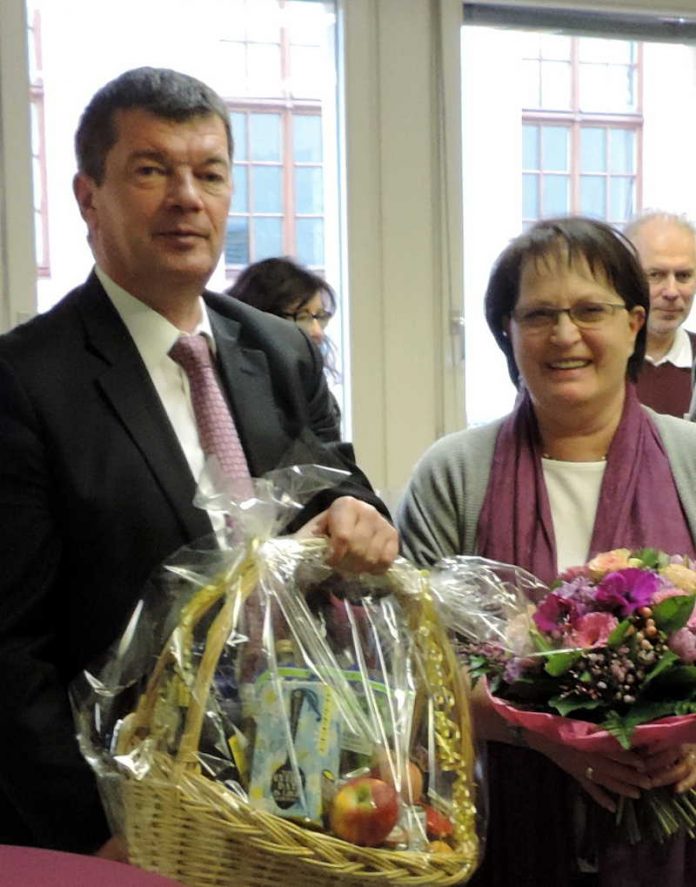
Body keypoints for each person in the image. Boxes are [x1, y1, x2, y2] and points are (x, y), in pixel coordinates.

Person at [0, 67, 397, 860]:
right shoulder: (25, 382)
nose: (187, 196)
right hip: (123, 824)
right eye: (152, 170)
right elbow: (9, 651)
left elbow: (344, 495)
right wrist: (97, 833)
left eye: (209, 173)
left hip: (296, 794)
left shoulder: (280, 349)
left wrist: (368, 522)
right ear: (88, 197)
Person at [397, 217, 696, 887]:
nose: (565, 335)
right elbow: (412, 667)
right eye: (538, 314)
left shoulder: (691, 462)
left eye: (591, 310)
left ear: (635, 323)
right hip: (497, 828)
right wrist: (550, 737)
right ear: (507, 329)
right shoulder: (453, 473)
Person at [227, 256, 341, 420]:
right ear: (264, 318)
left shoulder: (317, 394)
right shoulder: (231, 390)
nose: (318, 332)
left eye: (321, 317)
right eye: (302, 317)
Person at [625, 211, 696, 417]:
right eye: (655, 275)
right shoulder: (600, 360)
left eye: (683, 276)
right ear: (626, 277)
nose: (672, 292)